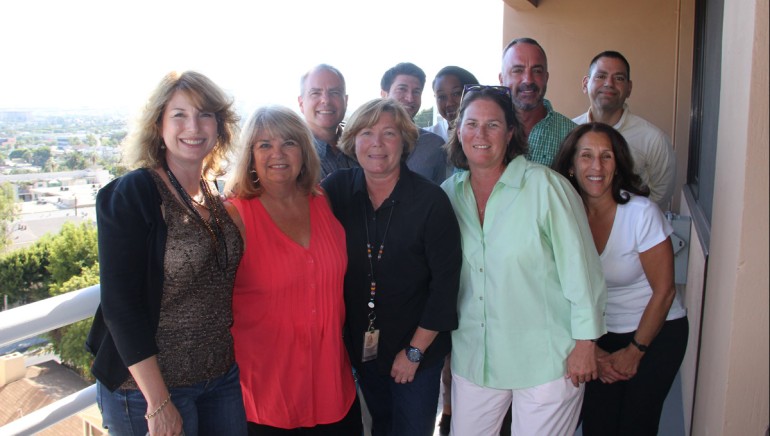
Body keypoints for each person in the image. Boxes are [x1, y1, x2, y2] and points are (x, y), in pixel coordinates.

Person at [86, 71, 247, 436]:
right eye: (179, 115)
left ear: (220, 126)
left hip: (219, 377)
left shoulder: (215, 195)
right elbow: (119, 306)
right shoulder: (133, 194)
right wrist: (158, 402)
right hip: (147, 392)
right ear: (158, 124)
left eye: (205, 114)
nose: (193, 125)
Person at [440, 85, 607, 435]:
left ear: (511, 132)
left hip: (547, 362)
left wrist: (585, 343)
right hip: (475, 359)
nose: (480, 134)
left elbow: (582, 270)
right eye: (471, 124)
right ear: (458, 131)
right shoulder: (448, 195)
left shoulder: (545, 187)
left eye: (493, 125)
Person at [321, 98, 462, 436]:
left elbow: (445, 287)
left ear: (405, 141)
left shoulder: (431, 201)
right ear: (353, 140)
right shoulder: (337, 190)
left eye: (389, 133)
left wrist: (414, 352)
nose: (377, 144)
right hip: (363, 349)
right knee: (381, 427)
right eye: (366, 133)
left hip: (417, 351)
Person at [224, 106, 361, 435]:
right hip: (268, 401)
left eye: (289, 143)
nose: (278, 154)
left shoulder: (323, 201)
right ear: (250, 156)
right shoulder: (234, 216)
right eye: (264, 145)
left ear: (304, 150)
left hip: (334, 391)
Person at [552, 122, 688, 435]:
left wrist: (635, 350)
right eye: (586, 156)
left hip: (655, 332)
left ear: (618, 164)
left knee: (635, 425)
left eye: (606, 157)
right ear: (571, 167)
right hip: (597, 334)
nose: (596, 166)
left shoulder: (641, 213)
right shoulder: (561, 217)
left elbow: (665, 292)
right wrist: (591, 349)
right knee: (598, 425)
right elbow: (554, 290)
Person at [572, 51, 677, 210]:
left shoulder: (653, 139)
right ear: (585, 83)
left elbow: (661, 193)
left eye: (619, 78)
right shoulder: (570, 131)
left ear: (629, 88)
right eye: (601, 76)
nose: (609, 83)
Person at [499, 37, 576, 167]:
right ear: (501, 79)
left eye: (537, 71)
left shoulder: (572, 135)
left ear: (546, 78)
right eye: (518, 70)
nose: (528, 80)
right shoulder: (485, 131)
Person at [380, 62, 450, 183]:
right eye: (402, 89)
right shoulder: (363, 141)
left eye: (416, 92)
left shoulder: (434, 145)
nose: (410, 98)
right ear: (384, 94)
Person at [298, 64, 358, 179]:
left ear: (345, 101)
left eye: (334, 92)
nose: (326, 100)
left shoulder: (363, 145)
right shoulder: (291, 156)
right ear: (301, 103)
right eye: (315, 93)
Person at [427, 66, 480, 141]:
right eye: (442, 96)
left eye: (456, 93)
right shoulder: (427, 138)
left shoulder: (489, 133)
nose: (449, 103)